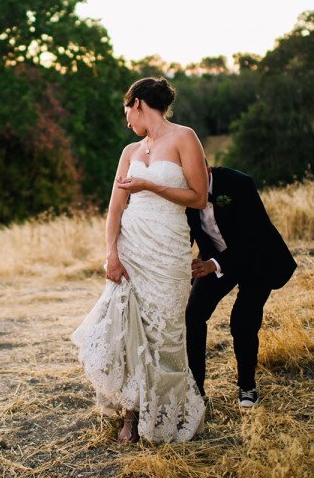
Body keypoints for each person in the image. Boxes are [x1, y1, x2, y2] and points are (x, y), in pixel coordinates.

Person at [71, 77, 207, 444]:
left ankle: (165, 414)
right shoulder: (129, 152)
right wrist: (111, 254)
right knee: (126, 331)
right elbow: (115, 207)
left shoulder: (184, 138)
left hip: (167, 250)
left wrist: (151, 186)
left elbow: (198, 196)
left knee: (164, 335)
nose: (127, 121)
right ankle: (131, 416)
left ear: (140, 105)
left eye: (127, 111)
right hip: (132, 249)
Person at [185, 165, 297, 408]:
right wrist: (182, 262)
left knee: (242, 320)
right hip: (215, 259)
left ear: (205, 166)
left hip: (256, 259)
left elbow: (254, 237)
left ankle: (247, 386)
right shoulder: (185, 194)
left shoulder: (239, 183)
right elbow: (185, 234)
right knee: (193, 315)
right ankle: (196, 390)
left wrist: (214, 265)